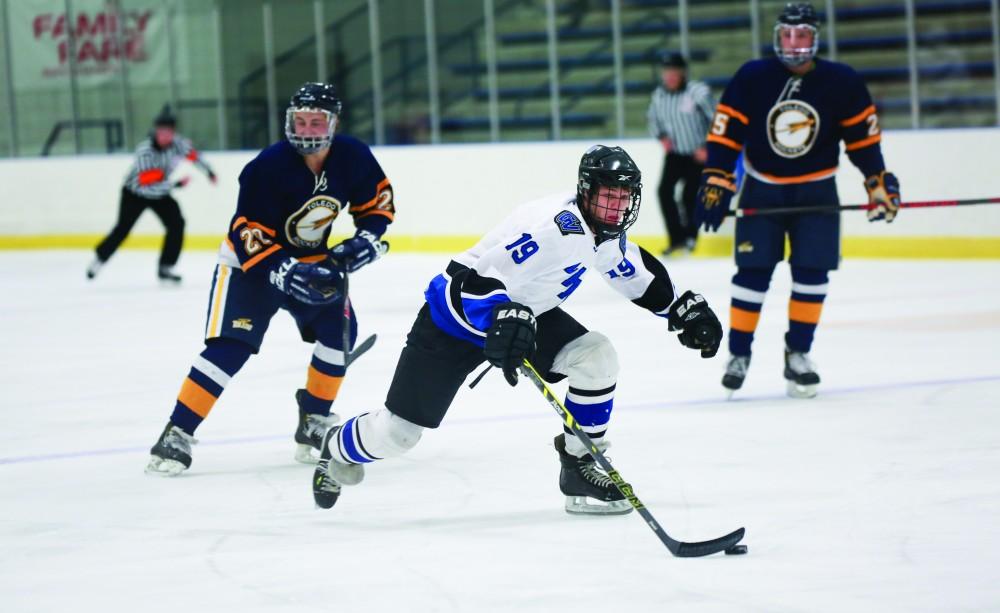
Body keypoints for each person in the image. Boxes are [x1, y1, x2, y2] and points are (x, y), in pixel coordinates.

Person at [310, 145, 723, 514]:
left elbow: (630, 268)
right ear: (586, 192)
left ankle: (579, 467)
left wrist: (680, 308)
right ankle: (336, 445)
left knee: (595, 357)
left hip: (525, 314)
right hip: (454, 321)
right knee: (397, 435)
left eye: (622, 198)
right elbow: (466, 280)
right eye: (607, 196)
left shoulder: (603, 231)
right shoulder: (557, 230)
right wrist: (501, 317)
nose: (615, 207)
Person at [145, 82, 395, 476]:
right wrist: (283, 270)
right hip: (250, 266)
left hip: (312, 262)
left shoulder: (353, 156)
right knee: (231, 347)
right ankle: (177, 432)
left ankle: (313, 422)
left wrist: (367, 237)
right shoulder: (266, 167)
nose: (307, 129)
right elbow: (248, 233)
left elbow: (377, 202)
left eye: (316, 122)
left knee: (339, 333)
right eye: (301, 120)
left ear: (333, 124)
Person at [694, 2, 901, 399]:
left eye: (802, 34)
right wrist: (718, 178)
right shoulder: (753, 76)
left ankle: (799, 353)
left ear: (815, 38)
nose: (793, 42)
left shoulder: (842, 80)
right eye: (787, 34)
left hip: (818, 190)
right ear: (777, 36)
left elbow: (863, 140)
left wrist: (877, 179)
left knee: (812, 274)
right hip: (762, 188)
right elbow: (725, 133)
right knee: (752, 274)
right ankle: (739, 354)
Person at [87, 106, 217, 283]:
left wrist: (209, 171)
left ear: (173, 133)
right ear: (155, 132)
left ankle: (166, 266)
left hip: (161, 192)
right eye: (161, 132)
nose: (164, 137)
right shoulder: (145, 151)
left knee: (176, 224)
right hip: (135, 193)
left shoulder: (178, 144)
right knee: (123, 229)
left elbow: (194, 156)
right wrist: (176, 184)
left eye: (168, 133)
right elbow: (148, 185)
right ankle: (99, 259)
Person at [647, 52, 716, 256]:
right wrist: (661, 137)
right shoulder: (659, 95)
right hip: (676, 153)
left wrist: (708, 147)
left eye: (674, 71)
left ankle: (690, 236)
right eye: (667, 71)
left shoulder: (698, 92)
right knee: (664, 192)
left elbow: (718, 119)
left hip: (698, 153)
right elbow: (653, 119)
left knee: (688, 196)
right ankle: (676, 238)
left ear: (683, 72)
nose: (670, 76)